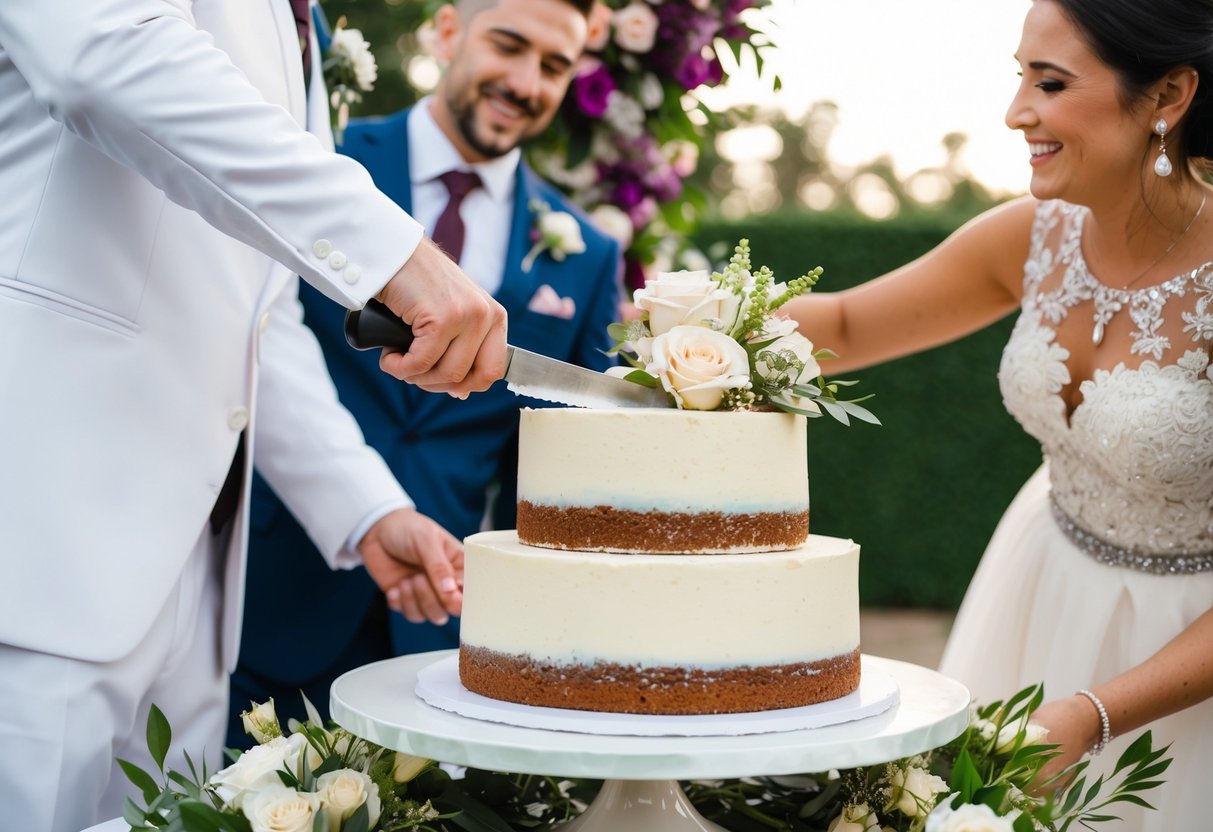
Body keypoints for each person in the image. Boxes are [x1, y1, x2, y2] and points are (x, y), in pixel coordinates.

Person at [0, 1, 508, 829]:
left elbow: (255, 319)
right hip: (39, 545)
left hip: (189, 585)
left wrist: (367, 510)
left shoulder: (293, 20)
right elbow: (102, 54)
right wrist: (394, 254)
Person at [783, 0, 1213, 826]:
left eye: (1048, 83)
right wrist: (683, 329)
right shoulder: (1031, 238)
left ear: (1167, 96)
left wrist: (1087, 717)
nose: (1017, 112)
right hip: (1037, 592)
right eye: (1019, 79)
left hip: (1183, 660)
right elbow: (840, 325)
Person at [226, 0, 621, 745]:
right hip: (272, 595)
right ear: (447, 32)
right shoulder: (322, 163)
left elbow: (558, 464)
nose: (525, 80)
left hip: (442, 627)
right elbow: (259, 331)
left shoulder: (588, 253)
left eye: (554, 66)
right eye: (509, 45)